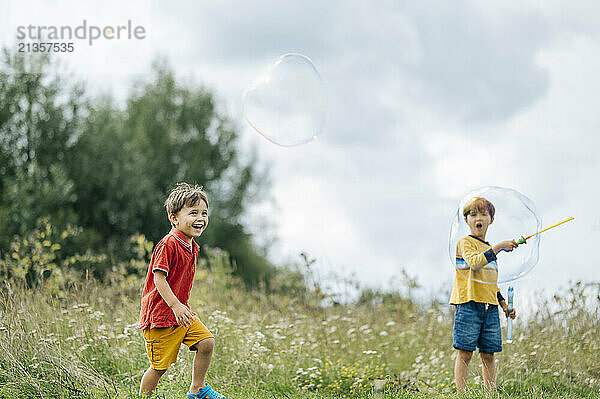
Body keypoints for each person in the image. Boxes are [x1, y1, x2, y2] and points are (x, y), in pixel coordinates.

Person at [138, 183, 225, 398]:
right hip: (160, 317)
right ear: (174, 218)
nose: (201, 218)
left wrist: (180, 307)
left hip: (181, 314)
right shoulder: (168, 244)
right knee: (159, 367)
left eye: (204, 213)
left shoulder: (191, 245)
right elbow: (159, 279)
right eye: (193, 212)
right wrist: (175, 305)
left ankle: (197, 390)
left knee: (206, 342)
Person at [449, 197, 517, 393]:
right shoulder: (465, 243)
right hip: (469, 304)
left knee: (489, 354)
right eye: (473, 214)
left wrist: (504, 305)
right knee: (465, 353)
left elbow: (491, 284)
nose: (478, 218)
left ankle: (490, 393)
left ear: (491, 219)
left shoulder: (489, 250)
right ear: (467, 220)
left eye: (483, 214)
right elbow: (475, 263)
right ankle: (461, 394)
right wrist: (498, 247)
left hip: (490, 308)